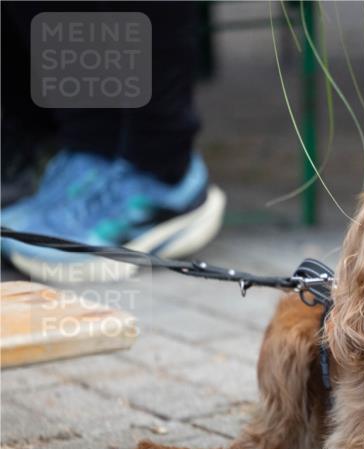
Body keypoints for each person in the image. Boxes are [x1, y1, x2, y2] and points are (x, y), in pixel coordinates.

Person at [1, 2, 223, 282]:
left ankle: (161, 173)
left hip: (159, 149)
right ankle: (96, 148)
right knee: (96, 136)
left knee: (153, 146)